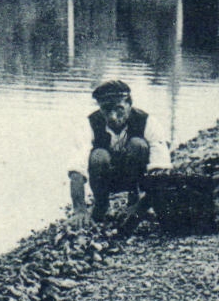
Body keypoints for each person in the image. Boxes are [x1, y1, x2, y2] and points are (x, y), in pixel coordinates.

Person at [69, 79, 170, 221]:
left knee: (138, 144)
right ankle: (101, 204)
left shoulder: (148, 122)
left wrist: (142, 207)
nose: (112, 116)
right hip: (105, 179)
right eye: (106, 109)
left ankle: (135, 199)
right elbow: (76, 170)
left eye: (119, 109)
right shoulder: (88, 124)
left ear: (129, 104)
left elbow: (160, 170)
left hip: (135, 177)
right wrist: (79, 210)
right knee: (99, 155)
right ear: (100, 107)